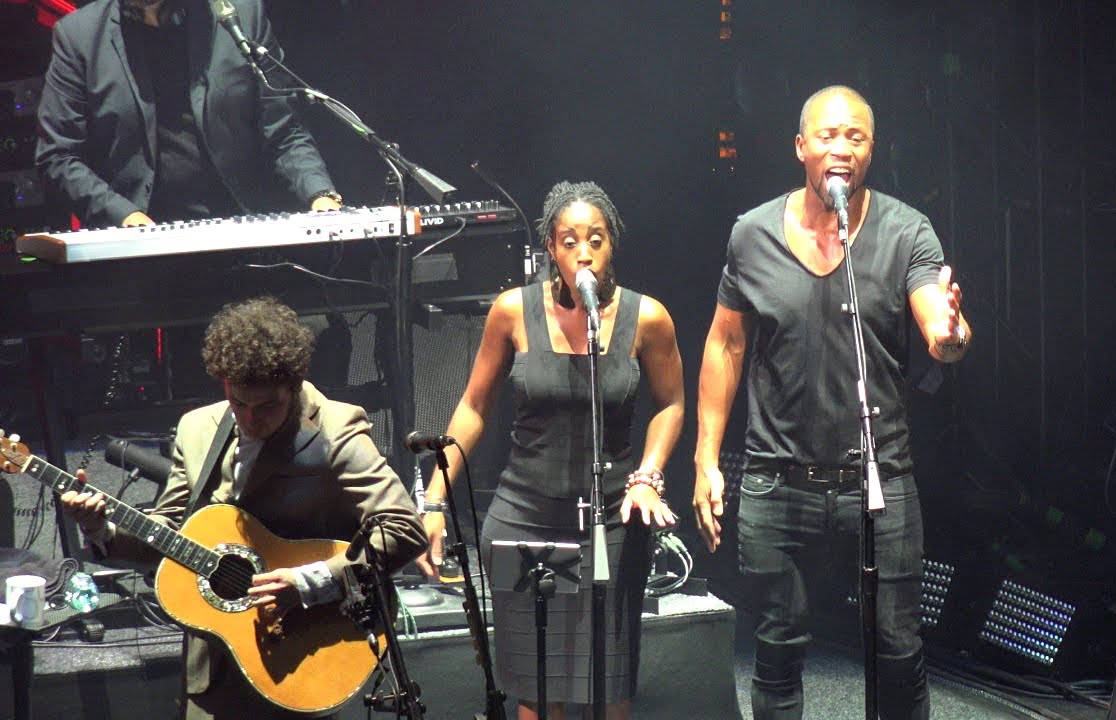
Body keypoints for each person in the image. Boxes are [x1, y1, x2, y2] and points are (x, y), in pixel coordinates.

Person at [693, 85, 972, 720]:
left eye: (856, 138)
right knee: (776, 647)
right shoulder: (752, 234)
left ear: (872, 151)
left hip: (879, 479)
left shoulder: (906, 231)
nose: (841, 149)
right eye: (827, 136)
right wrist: (707, 459)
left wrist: (953, 334)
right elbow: (725, 344)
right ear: (800, 148)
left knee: (898, 650)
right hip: (776, 477)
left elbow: (941, 331)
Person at [60, 297, 428, 719]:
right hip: (213, 666)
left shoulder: (336, 429)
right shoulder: (198, 429)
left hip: (303, 650)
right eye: (239, 404)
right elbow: (169, 533)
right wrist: (100, 528)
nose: (250, 420)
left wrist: (309, 582)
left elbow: (402, 529)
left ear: (293, 385)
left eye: (267, 406)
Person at [413, 180, 684, 720]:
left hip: (611, 520)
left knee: (609, 687)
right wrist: (434, 500)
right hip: (526, 520)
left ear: (613, 245)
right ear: (550, 249)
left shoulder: (646, 318)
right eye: (568, 240)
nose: (583, 252)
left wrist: (647, 474)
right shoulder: (512, 312)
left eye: (596, 239)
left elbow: (672, 404)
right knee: (540, 693)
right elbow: (472, 408)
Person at [35, 0, 342, 229]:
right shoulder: (80, 37)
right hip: (138, 250)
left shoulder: (237, 17)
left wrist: (320, 193)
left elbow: (282, 129)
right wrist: (123, 215)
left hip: (244, 226)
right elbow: (59, 156)